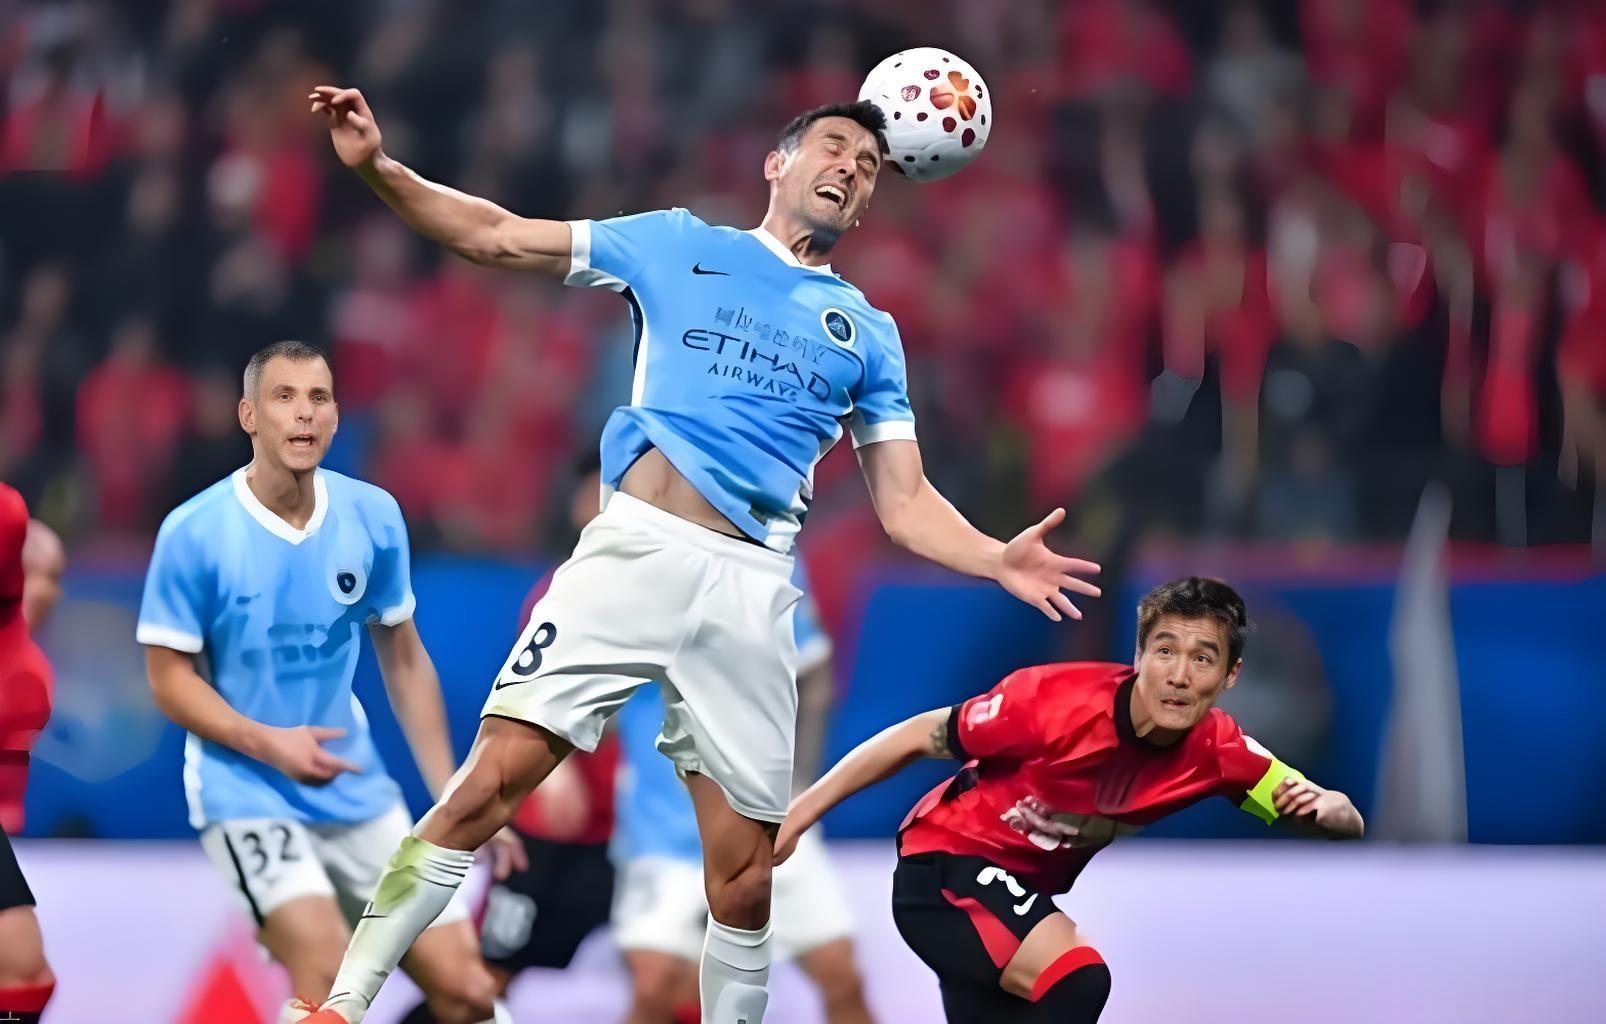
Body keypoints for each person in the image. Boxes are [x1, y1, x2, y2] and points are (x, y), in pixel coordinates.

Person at [300, 83, 1100, 1024]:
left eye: (868, 167)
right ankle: (343, 1006)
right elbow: (499, 235)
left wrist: (995, 557)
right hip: (635, 554)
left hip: (752, 588)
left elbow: (906, 502)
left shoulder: (869, 335)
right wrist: (380, 169)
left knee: (746, 879)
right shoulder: (677, 244)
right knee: (487, 787)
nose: (850, 167)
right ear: (778, 163)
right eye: (833, 147)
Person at [775, 577, 1365, 1023]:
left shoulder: (1221, 753)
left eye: (1203, 658)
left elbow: (1338, 816)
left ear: (1231, 675)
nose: (1180, 676)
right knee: (1078, 977)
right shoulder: (1050, 703)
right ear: (1138, 656)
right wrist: (799, 815)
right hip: (943, 868)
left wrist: (1330, 812)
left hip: (1012, 899)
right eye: (1165, 651)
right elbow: (913, 736)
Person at [137, 341, 518, 1024]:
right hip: (245, 793)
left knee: (467, 992)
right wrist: (269, 744)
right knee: (324, 976)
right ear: (248, 416)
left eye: (318, 398)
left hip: (355, 789)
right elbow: (168, 681)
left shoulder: (373, 515)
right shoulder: (193, 532)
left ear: (337, 417)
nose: (304, 414)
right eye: (284, 397)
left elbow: (405, 660)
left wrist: (454, 794)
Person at [611, 557, 871, 1024]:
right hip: (664, 831)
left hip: (768, 822)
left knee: (841, 975)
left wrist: (799, 785)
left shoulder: (772, 557)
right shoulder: (629, 559)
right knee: (656, 989)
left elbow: (813, 676)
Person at [0, 484, 64, 1024]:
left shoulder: (31, 671)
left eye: (57, 578)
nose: (51, 592)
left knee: (22, 972)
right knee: (21, 970)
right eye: (39, 574)